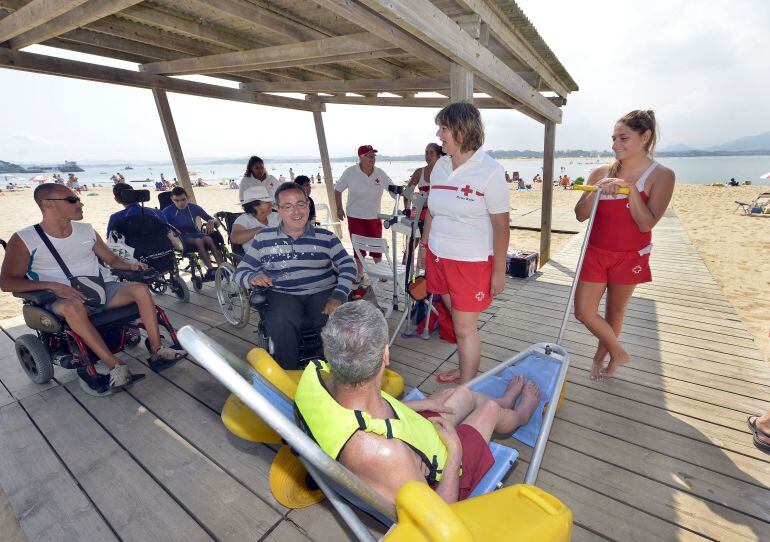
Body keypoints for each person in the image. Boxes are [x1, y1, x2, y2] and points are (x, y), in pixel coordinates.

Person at [294, 300, 541, 504]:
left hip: (406, 441)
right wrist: (454, 451)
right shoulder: (386, 453)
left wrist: (417, 407)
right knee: (490, 410)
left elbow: (366, 415)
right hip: (443, 476)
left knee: (460, 394)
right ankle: (520, 413)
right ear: (386, 355)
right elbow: (438, 516)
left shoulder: (315, 378)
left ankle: (504, 399)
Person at [0, 184, 186, 389]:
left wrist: (131, 265)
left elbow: (113, 261)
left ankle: (157, 350)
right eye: (72, 200)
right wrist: (53, 286)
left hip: (99, 290)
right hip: (59, 300)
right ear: (48, 204)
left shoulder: (86, 230)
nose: (80, 203)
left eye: (78, 199)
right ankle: (115, 365)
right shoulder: (25, 239)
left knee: (140, 289)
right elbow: (7, 282)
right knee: (72, 307)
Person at [573, 109, 675, 380]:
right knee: (583, 311)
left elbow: (646, 224)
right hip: (595, 252)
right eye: (614, 138)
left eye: (623, 138)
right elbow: (580, 214)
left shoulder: (662, 175)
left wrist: (629, 190)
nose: (615, 145)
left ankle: (601, 359)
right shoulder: (600, 172)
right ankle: (618, 351)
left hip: (630, 256)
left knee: (614, 312)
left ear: (645, 137)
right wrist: (598, 190)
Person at [419, 103, 510, 384]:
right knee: (459, 324)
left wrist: (498, 271)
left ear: (461, 130)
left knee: (465, 327)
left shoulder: (490, 171)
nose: (438, 133)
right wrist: (424, 248)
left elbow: (501, 225)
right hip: (438, 256)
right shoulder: (440, 167)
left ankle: (467, 387)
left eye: (443, 128)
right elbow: (433, 211)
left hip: (470, 262)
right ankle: (465, 370)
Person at [234, 182, 356, 369]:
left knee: (336, 320)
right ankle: (288, 373)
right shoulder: (263, 238)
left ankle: (335, 373)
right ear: (278, 210)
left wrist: (339, 295)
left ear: (308, 205)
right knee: (280, 321)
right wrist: (252, 278)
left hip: (322, 291)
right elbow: (240, 271)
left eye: (301, 204)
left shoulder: (326, 237)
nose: (296, 212)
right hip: (282, 292)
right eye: (288, 206)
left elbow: (348, 265)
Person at [334, 145, 394, 280]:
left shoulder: (380, 173)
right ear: (361, 157)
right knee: (358, 247)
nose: (373, 158)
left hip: (374, 216)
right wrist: (339, 208)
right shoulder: (350, 172)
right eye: (370, 156)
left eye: (374, 156)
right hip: (355, 215)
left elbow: (392, 189)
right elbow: (338, 190)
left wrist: (402, 193)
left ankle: (380, 272)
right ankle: (360, 273)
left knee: (376, 246)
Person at [161, 186, 222, 279]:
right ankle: (210, 269)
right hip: (180, 235)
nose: (180, 203)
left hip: (194, 232)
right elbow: (162, 226)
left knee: (209, 239)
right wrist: (171, 232)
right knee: (199, 241)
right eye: (176, 200)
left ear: (187, 197)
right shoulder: (168, 211)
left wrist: (211, 221)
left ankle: (221, 267)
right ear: (172, 199)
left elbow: (212, 219)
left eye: (183, 199)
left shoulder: (193, 207)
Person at [229, 186, 280, 251]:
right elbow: (235, 238)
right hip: (257, 257)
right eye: (267, 202)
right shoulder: (244, 219)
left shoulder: (275, 216)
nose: (271, 204)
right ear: (255, 205)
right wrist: (259, 230)